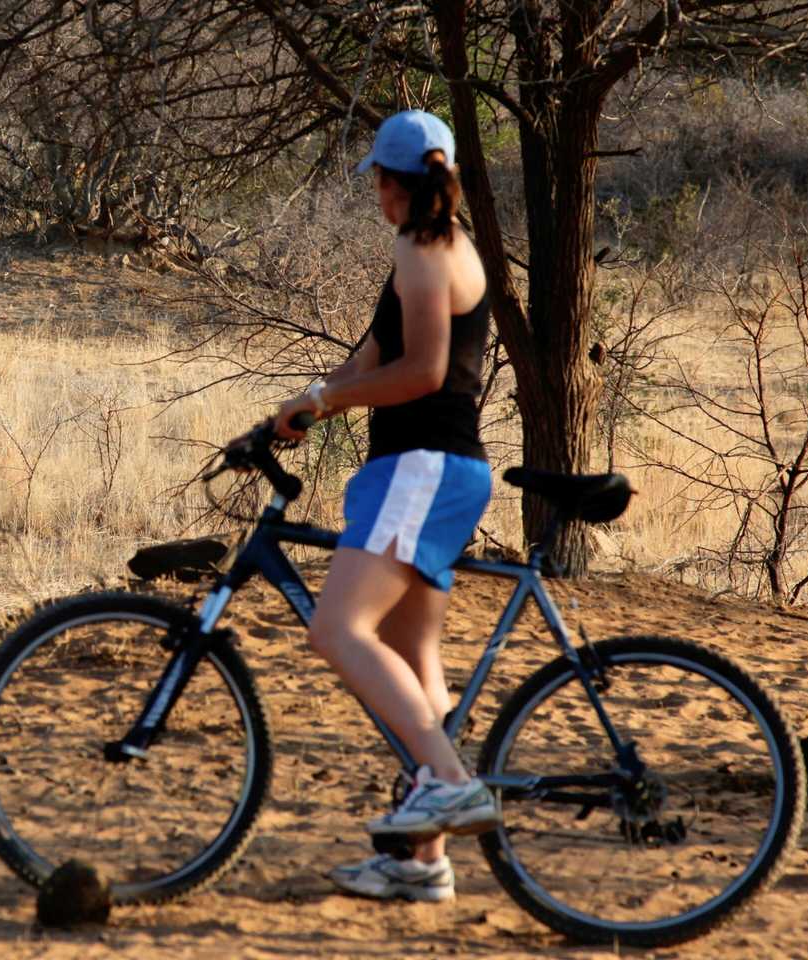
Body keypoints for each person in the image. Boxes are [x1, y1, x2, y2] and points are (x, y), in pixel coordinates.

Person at [273, 110, 496, 903]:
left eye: (376, 176)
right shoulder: (428, 250)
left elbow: (426, 372)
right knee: (413, 666)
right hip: (426, 471)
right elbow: (372, 358)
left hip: (424, 467)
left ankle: (446, 781)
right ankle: (421, 860)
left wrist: (327, 398)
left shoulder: (427, 249)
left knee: (336, 630)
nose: (374, 190)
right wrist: (296, 410)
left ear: (396, 182)